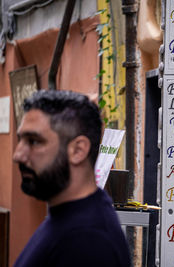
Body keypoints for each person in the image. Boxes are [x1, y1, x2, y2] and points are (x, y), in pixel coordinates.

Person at [12, 90, 130, 267]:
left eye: (34, 141)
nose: (18, 155)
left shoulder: (87, 241)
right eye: (20, 140)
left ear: (78, 150)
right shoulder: (70, 217)